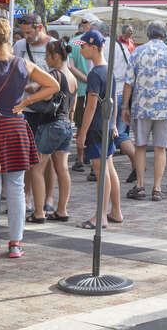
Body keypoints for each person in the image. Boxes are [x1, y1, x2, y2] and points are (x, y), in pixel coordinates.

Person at [0, 19, 58, 259]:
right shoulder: (25, 64)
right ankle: (15, 243)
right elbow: (52, 85)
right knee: (16, 188)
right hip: (18, 126)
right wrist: (26, 102)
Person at [122, 20, 167, 201]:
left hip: (141, 107)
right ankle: (157, 188)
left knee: (140, 146)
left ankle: (140, 185)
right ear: (165, 35)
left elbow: (128, 83)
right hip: (165, 108)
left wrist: (124, 106)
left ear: (149, 34)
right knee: (161, 149)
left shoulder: (137, 52)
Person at [74, 29, 123, 228]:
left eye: (83, 47)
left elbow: (91, 105)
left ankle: (101, 215)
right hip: (106, 126)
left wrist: (82, 133)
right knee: (109, 168)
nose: (82, 51)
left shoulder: (95, 73)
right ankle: (116, 211)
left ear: (94, 48)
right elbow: (114, 101)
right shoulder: (108, 70)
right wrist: (112, 124)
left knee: (101, 170)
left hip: (96, 127)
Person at [26, 41, 77, 223]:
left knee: (36, 169)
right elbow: (72, 107)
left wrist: (32, 92)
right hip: (66, 125)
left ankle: (39, 212)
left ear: (56, 56)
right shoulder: (71, 76)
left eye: (47, 56)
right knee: (62, 168)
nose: (45, 59)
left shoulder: (54, 74)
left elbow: (46, 95)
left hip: (51, 124)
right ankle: (62, 210)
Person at [14, 14, 58, 213]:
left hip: (49, 109)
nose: (25, 36)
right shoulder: (20, 46)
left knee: (47, 158)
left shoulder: (55, 45)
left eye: (29, 32)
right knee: (27, 154)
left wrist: (38, 85)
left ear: (40, 27)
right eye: (23, 32)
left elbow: (61, 76)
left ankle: (48, 197)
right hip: (28, 107)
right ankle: (27, 196)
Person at [93, 21, 138, 184]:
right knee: (119, 132)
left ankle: (137, 164)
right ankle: (136, 164)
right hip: (123, 91)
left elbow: (99, 71)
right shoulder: (121, 46)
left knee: (116, 134)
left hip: (110, 93)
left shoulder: (102, 48)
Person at [68, 14, 99, 175]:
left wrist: (85, 79)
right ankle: (89, 158)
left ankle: (80, 159)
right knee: (92, 123)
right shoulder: (100, 41)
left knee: (81, 123)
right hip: (94, 88)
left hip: (80, 88)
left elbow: (70, 66)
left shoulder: (75, 42)